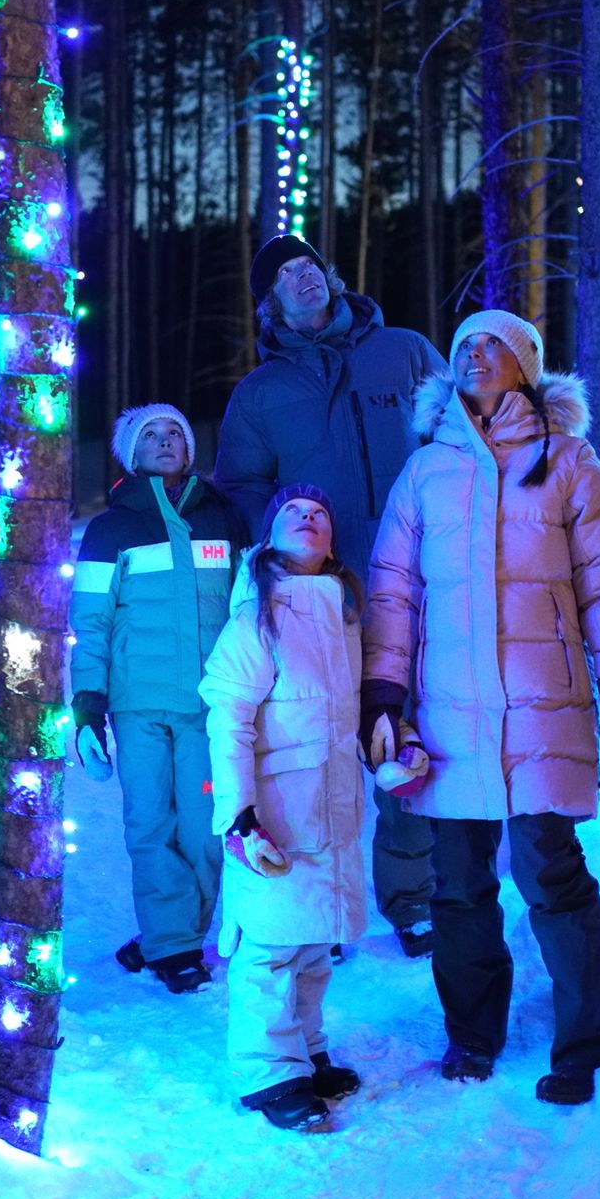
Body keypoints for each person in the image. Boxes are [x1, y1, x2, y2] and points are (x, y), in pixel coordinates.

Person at [362, 309, 600, 1106]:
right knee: (455, 884)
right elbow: (392, 593)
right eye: (462, 347)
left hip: (540, 706)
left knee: (549, 873)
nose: (475, 356)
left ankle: (594, 1037)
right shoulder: (425, 472)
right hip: (449, 716)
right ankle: (472, 1035)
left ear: (526, 364)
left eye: (493, 345)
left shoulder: (569, 463)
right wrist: (384, 696)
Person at [214, 233, 447, 958]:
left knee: (404, 733)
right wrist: (287, 542)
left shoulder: (403, 351)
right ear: (271, 300)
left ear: (331, 275)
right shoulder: (261, 393)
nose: (302, 277)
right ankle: (322, 899)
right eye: (285, 274)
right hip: (322, 596)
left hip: (416, 575)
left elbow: (458, 432)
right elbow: (242, 484)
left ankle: (412, 897)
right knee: (317, 748)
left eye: (309, 265)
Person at [199, 484, 367, 1133]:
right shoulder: (255, 618)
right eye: (294, 512)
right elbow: (229, 719)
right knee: (269, 943)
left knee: (312, 941)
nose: (310, 518)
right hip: (275, 814)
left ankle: (305, 1049)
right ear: (269, 539)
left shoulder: (346, 617)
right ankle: (269, 1072)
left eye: (322, 513)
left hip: (332, 805)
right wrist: (239, 815)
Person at [68, 403, 246, 994]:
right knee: (150, 823)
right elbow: (91, 623)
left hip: (208, 706)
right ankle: (174, 945)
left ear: (190, 448)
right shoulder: (110, 529)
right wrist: (88, 707)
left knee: (205, 826)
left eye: (176, 432)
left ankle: (169, 937)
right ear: (130, 452)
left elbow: (248, 611)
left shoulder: (222, 516)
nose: (166, 441)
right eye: (151, 434)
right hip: (138, 705)